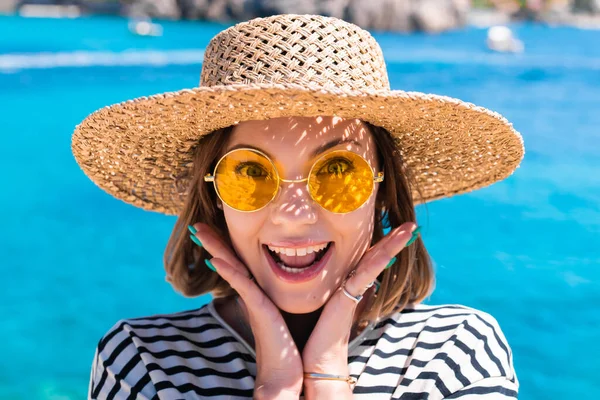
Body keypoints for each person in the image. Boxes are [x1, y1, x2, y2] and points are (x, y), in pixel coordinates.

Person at [73, 13, 523, 400]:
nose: (294, 214)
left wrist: (327, 375)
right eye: (250, 173)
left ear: (384, 189)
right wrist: (275, 386)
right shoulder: (145, 362)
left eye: (338, 171)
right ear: (213, 195)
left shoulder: (455, 352)